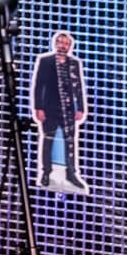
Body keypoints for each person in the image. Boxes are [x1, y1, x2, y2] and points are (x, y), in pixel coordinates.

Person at [31, 30, 89, 193]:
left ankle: (71, 173)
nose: (63, 46)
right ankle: (46, 172)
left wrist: (81, 108)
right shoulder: (46, 61)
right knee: (48, 140)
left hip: (68, 110)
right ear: (55, 43)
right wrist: (39, 108)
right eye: (61, 43)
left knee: (70, 141)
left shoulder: (74, 64)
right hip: (50, 109)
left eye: (66, 44)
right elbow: (39, 86)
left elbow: (79, 88)